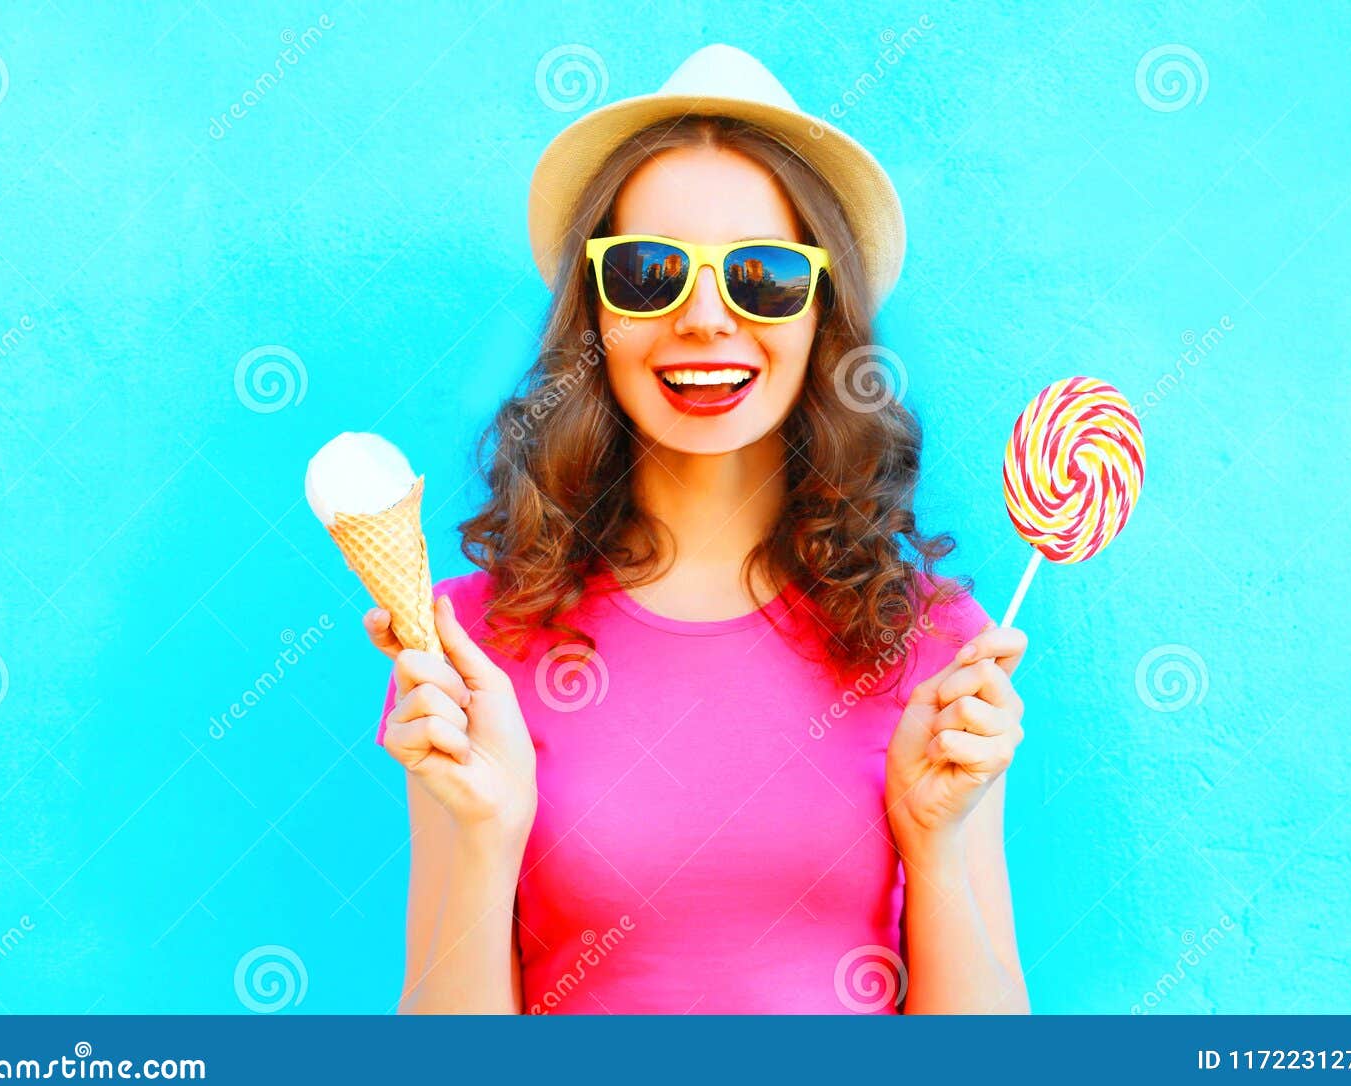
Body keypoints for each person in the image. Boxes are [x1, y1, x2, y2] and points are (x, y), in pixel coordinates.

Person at [363, 44, 1029, 1014]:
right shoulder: (467, 649)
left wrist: (932, 844)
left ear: (818, 314)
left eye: (760, 276)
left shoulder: (936, 643)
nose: (706, 319)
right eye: (647, 273)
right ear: (597, 312)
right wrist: (485, 839)